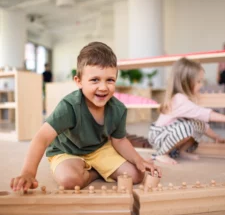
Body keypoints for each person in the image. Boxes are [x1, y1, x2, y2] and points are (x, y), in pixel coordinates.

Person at [11, 42, 161, 191]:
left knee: (135, 175)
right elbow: (42, 138)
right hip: (66, 151)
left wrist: (138, 160)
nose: (103, 87)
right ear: (79, 81)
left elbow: (120, 140)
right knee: (69, 181)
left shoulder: (118, 109)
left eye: (109, 80)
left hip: (99, 149)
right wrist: (28, 173)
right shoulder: (69, 106)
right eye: (95, 80)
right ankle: (94, 174)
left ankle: (95, 168)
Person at [148, 57, 225, 165]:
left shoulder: (185, 99)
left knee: (198, 124)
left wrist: (217, 137)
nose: (201, 84)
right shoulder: (179, 100)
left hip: (168, 135)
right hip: (158, 137)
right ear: (186, 82)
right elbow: (205, 114)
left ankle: (181, 151)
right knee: (188, 127)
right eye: (198, 81)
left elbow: (203, 124)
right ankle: (161, 154)